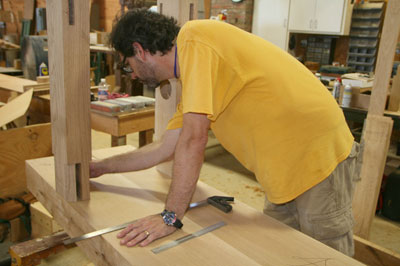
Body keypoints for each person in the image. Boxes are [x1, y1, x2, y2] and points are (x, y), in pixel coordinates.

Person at [90, 9, 361, 256]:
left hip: (318, 157)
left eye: (128, 65)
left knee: (326, 256)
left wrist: (170, 217)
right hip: (283, 171)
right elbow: (164, 148)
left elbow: (193, 140)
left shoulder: (195, 39)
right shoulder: (196, 76)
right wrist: (101, 168)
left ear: (139, 50)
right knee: (283, 254)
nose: (133, 75)